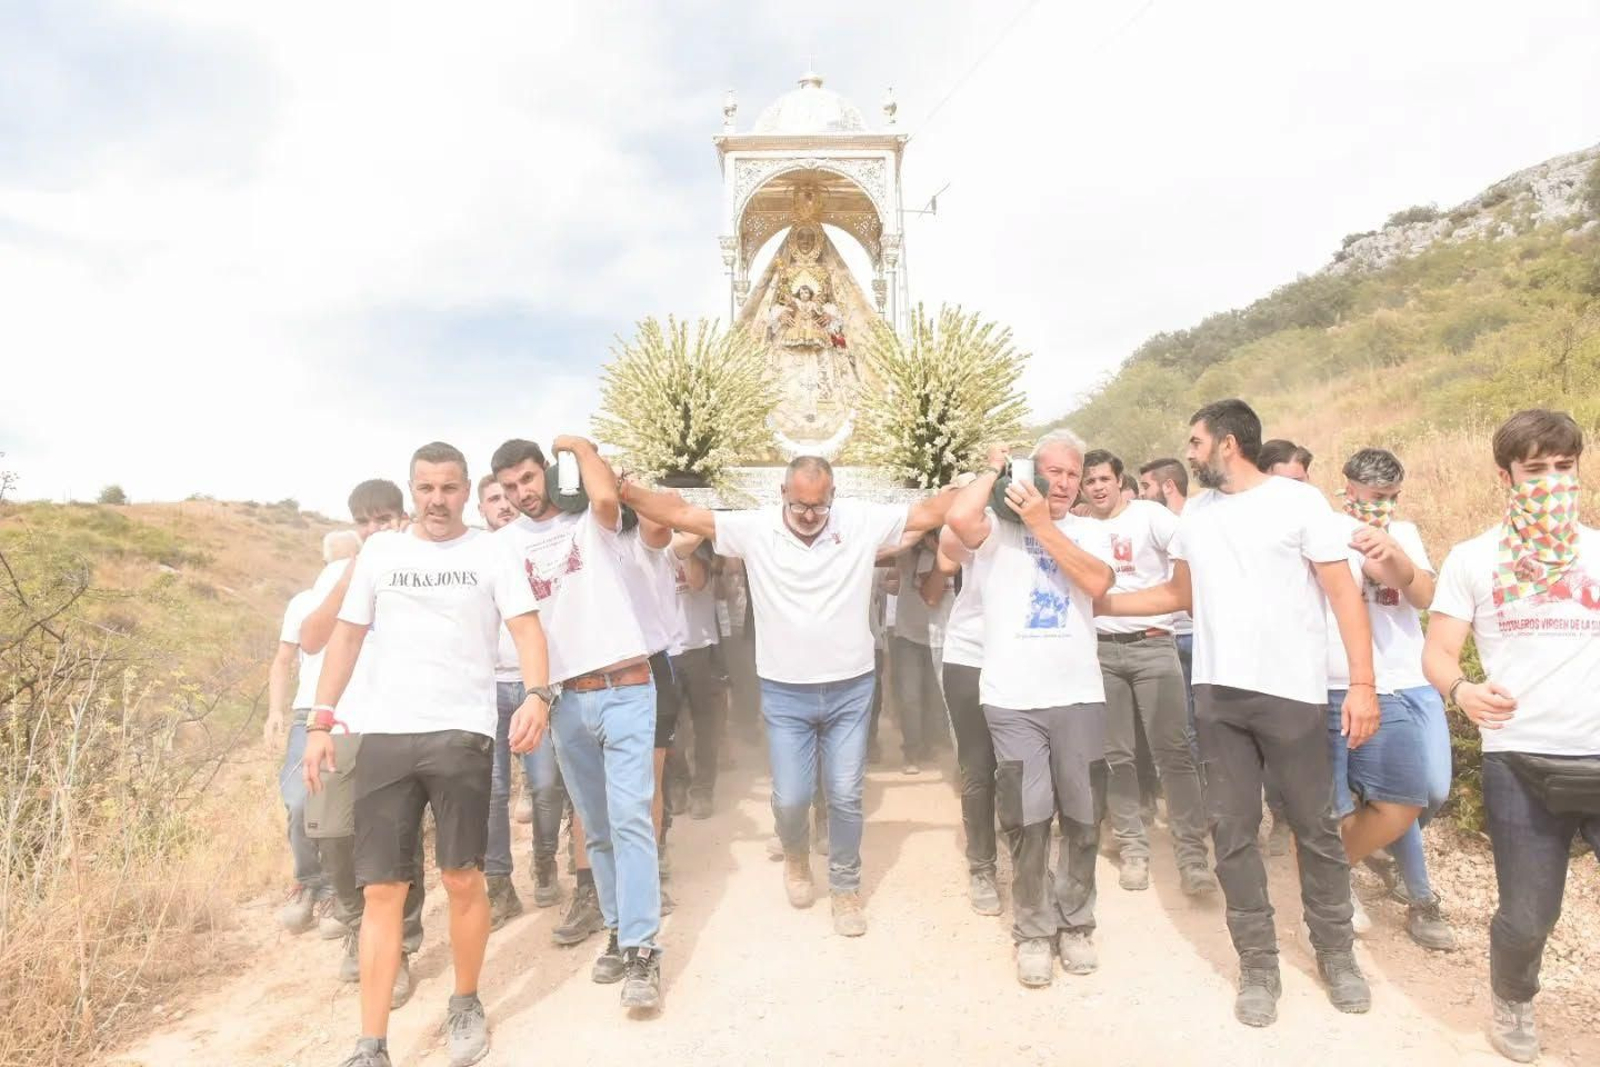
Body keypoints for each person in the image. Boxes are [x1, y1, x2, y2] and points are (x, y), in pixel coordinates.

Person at [1098, 399, 1378, 1027]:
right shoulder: (1195, 513)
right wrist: (1101, 603)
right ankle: (1258, 964)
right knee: (1233, 832)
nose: (1189, 452)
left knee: (1316, 828)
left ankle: (1336, 955)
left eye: (1195, 443)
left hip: (1292, 694)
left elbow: (1343, 595)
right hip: (1218, 694)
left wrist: (1362, 684)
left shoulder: (1299, 502)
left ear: (1227, 444)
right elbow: (1178, 595)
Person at [619, 456, 955, 937]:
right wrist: (626, 492)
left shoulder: (860, 522)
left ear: (833, 496)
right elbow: (687, 518)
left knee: (844, 794)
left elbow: (929, 512)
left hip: (850, 689)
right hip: (784, 693)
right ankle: (796, 859)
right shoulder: (755, 529)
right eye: (799, 504)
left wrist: (988, 478)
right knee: (793, 797)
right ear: (782, 493)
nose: (809, 514)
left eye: (819, 506)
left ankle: (845, 887)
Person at [305, 443, 551, 1067]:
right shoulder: (382, 553)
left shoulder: (493, 551)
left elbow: (526, 628)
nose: (436, 500)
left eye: (448, 489)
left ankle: (465, 1001)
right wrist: (320, 720)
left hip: (461, 733)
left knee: (462, 877)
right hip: (385, 736)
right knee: (383, 889)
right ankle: (371, 1044)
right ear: (412, 491)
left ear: (466, 490)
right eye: (425, 489)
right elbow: (349, 635)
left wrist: (539, 696)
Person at [1423, 409, 1599, 1065]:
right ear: (1506, 475)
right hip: (1519, 763)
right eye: (1536, 469)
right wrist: (1462, 691)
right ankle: (1514, 999)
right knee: (1528, 915)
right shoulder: (1473, 558)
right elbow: (1438, 650)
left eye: (1564, 467)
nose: (1552, 480)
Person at [493, 436, 665, 1011]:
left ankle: (643, 951)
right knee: (597, 829)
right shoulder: (503, 546)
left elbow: (604, 492)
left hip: (626, 689)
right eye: (511, 486)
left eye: (529, 478)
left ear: (547, 472)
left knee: (632, 819)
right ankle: (618, 930)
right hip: (565, 700)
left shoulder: (591, 521)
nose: (523, 493)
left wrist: (579, 445)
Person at [947, 431, 1115, 988]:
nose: (1064, 483)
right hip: (1012, 699)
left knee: (1085, 818)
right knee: (1028, 819)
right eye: (1052, 472)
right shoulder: (998, 529)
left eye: (1072, 473)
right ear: (1032, 475)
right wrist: (995, 472)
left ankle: (1077, 922)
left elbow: (1096, 582)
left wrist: (1046, 524)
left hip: (1079, 696)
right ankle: (1035, 931)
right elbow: (957, 520)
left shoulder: (1089, 530)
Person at [298, 481, 426, 1000]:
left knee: (398, 844)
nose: (374, 530)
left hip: (400, 724)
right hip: (343, 725)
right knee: (334, 838)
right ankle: (356, 928)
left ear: (403, 517)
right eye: (364, 522)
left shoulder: (421, 564)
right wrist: (355, 570)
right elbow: (311, 639)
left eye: (385, 519)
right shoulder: (337, 572)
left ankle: (397, 947)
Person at [1332, 449, 1456, 950]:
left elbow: (1425, 597)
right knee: (1393, 797)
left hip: (1412, 677)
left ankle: (1365, 849)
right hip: (1354, 682)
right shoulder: (1327, 531)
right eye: (1375, 497)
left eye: (1392, 497)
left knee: (1434, 789)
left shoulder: (1403, 534)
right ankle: (1415, 894)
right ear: (1350, 490)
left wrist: (1394, 558)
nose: (1384, 505)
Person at [1080, 450, 1215, 897]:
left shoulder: (1150, 517)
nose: (1097, 487)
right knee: (1116, 755)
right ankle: (1133, 848)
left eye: (1104, 478)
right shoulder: (1080, 528)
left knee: (1173, 754)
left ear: (1120, 481)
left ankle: (1192, 856)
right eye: (1089, 481)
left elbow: (1192, 552)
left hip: (1154, 645)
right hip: (1100, 651)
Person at [476, 474, 564, 926]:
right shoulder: (474, 556)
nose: (504, 504)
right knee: (491, 792)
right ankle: (499, 885)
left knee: (547, 783)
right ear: (481, 511)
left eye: (507, 495)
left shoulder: (538, 546)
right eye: (493, 499)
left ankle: (545, 862)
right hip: (486, 689)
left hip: (537, 684)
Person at [268, 529, 359, 935]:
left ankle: (343, 892)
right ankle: (309, 883)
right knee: (298, 800)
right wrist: (275, 711)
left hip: (355, 708)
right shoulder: (304, 603)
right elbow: (284, 658)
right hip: (309, 711)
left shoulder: (370, 593)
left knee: (345, 807)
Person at [929, 523, 1001, 916]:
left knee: (1021, 767)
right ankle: (982, 866)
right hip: (970, 656)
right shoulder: (980, 526)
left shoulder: (1051, 527)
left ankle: (1026, 855)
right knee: (977, 767)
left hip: (1023, 659)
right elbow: (946, 553)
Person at [671, 536, 728, 819]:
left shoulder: (700, 546)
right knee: (670, 730)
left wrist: (685, 544)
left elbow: (696, 582)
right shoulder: (645, 541)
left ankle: (703, 789)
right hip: (662, 650)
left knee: (705, 726)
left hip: (700, 648)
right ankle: (678, 782)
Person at [890, 533, 949, 774]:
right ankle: (911, 752)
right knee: (910, 697)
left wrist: (938, 550)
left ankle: (929, 745)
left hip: (939, 635)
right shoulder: (907, 556)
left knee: (934, 696)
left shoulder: (949, 557)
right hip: (908, 636)